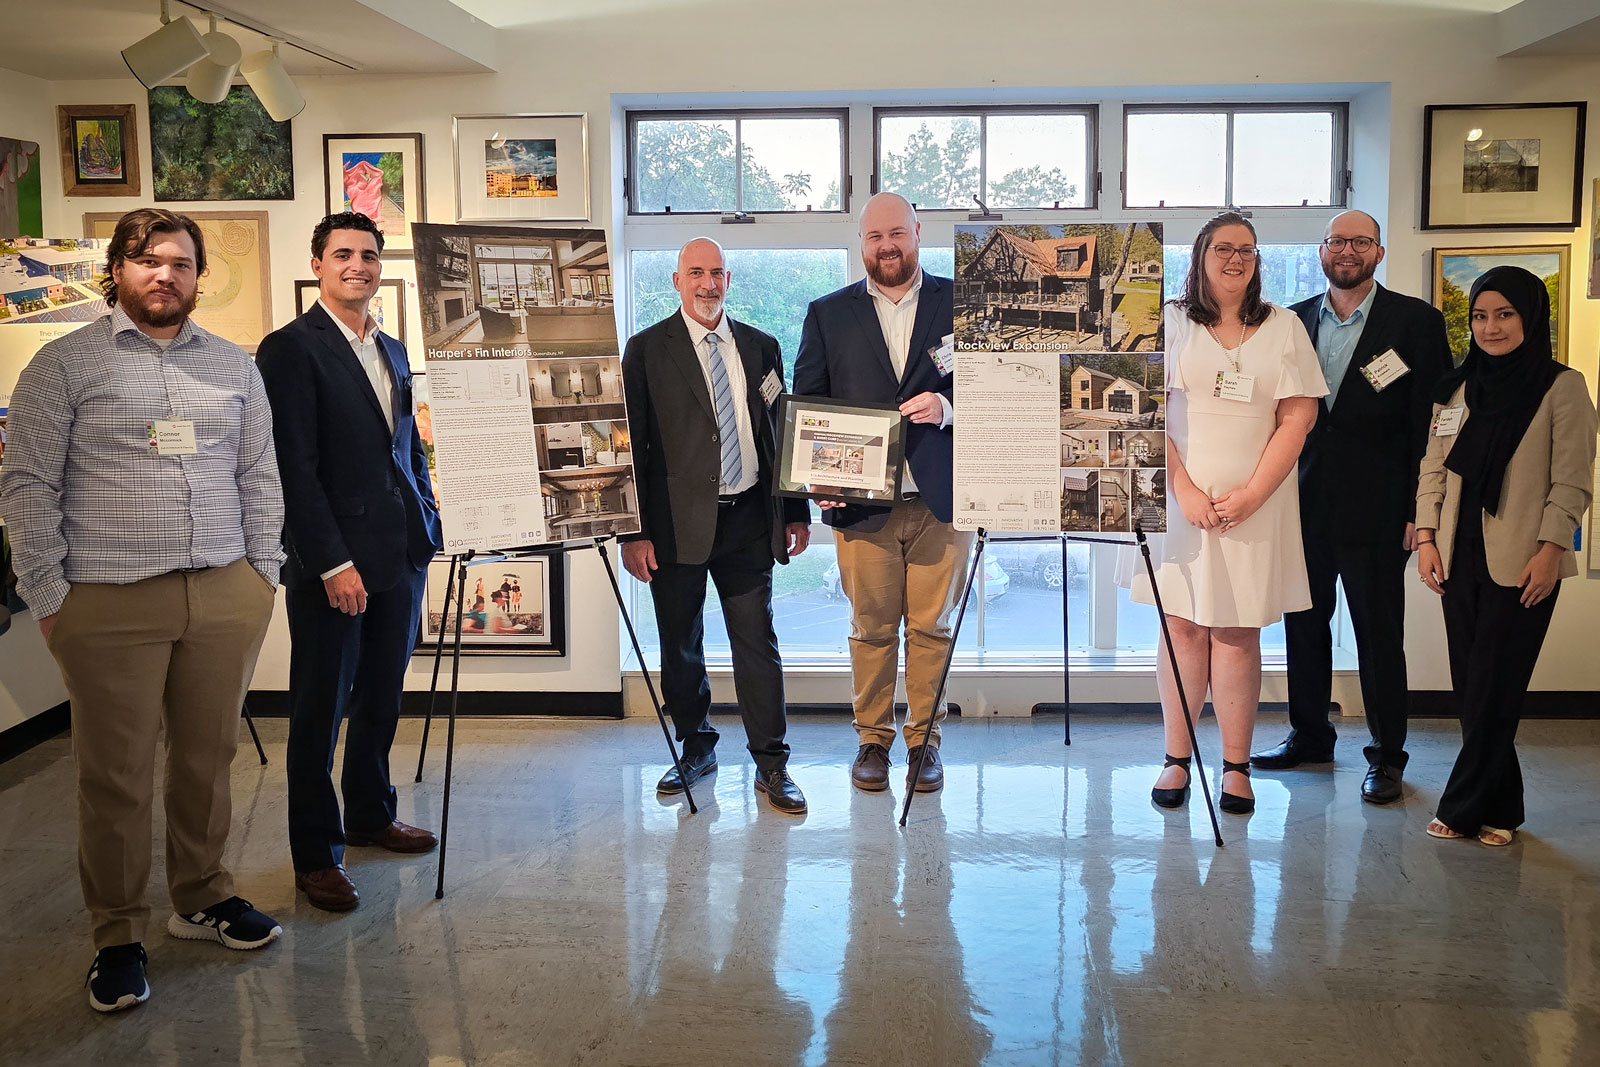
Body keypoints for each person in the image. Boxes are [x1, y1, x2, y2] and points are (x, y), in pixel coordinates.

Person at [0, 208, 285, 1012]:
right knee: (115, 776)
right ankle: (117, 934)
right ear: (119, 270)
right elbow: (26, 488)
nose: (166, 275)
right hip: (109, 599)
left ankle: (201, 894)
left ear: (199, 277)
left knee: (207, 757)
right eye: (149, 260)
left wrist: (261, 574)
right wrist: (51, 597)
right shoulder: (63, 366)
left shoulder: (235, 367)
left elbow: (260, 476)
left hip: (224, 591)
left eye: (183, 263)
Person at [256, 212, 443, 913]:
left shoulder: (391, 348)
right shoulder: (289, 350)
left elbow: (405, 449)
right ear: (318, 263)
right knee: (319, 710)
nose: (357, 265)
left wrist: (428, 516)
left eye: (368, 255)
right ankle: (316, 855)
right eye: (343, 254)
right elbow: (292, 469)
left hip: (398, 555)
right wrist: (332, 562)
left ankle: (369, 813)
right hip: (333, 567)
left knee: (381, 698)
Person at [1253, 210, 1453, 804]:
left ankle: (1388, 755)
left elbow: (1432, 424)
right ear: (1321, 251)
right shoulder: (1292, 321)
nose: (1347, 250)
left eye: (1359, 241)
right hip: (1303, 506)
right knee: (1304, 629)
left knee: (1378, 637)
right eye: (1337, 241)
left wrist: (1421, 515)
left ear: (1379, 252)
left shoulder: (1416, 322)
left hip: (1381, 511)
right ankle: (1310, 735)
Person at [1132, 211, 1327, 815]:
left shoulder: (1285, 326)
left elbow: (1299, 416)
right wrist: (1183, 489)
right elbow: (1143, 408)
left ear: (1257, 260)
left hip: (1257, 504)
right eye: (1223, 248)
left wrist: (1253, 494)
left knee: (1239, 631)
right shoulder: (1169, 322)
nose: (1235, 259)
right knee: (1183, 629)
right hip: (1179, 499)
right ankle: (1176, 759)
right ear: (1201, 257)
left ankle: (1237, 768)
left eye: (1245, 249)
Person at [620, 237, 812, 814]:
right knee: (680, 647)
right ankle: (696, 748)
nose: (707, 283)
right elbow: (634, 448)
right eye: (695, 273)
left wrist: (795, 510)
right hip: (674, 528)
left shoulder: (761, 348)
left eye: (717, 273)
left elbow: (782, 436)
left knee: (757, 644)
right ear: (676, 281)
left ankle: (772, 764)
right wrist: (633, 529)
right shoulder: (646, 350)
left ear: (729, 281)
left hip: (749, 520)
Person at [793, 192, 971, 794]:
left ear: (917, 233)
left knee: (932, 630)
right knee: (871, 629)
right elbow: (809, 406)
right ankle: (872, 740)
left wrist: (946, 407)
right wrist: (816, 477)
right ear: (861, 242)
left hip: (941, 501)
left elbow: (1001, 390)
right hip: (860, 504)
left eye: (897, 233)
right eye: (874, 237)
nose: (886, 246)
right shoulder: (827, 314)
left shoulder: (962, 305)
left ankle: (925, 743)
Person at [1416, 265, 1596, 846]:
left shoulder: (1561, 386)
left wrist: (1552, 550)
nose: (1491, 327)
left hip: (1523, 558)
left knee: (1498, 684)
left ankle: (1464, 807)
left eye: (1505, 314)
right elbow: (1433, 468)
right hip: (1457, 553)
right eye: (1480, 316)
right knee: (1474, 686)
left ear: (1530, 318)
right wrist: (1424, 538)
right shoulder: (1458, 387)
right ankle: (1505, 807)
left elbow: (1572, 482)